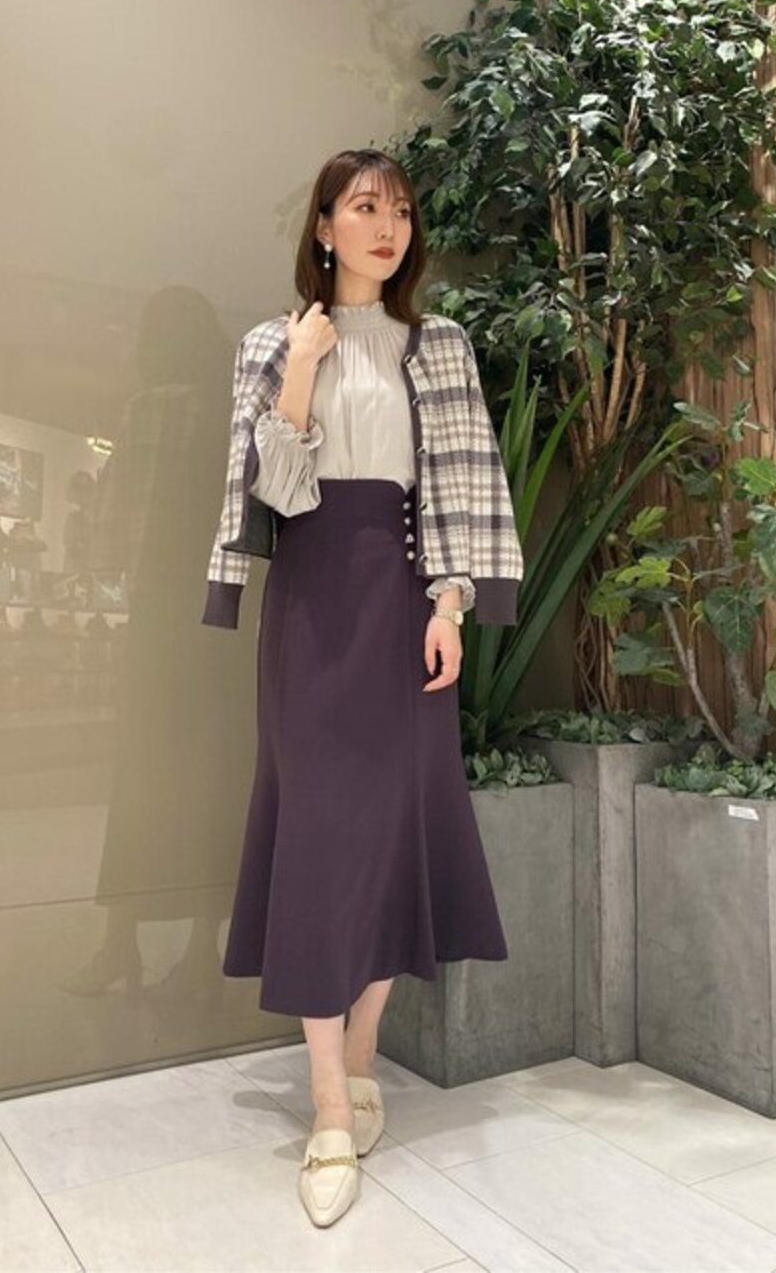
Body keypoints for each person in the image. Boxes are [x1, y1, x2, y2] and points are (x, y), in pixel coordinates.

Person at [203, 147, 524, 1227]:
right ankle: (329, 1106)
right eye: (364, 207)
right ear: (324, 225)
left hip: (404, 606)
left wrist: (449, 606)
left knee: (398, 832)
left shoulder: (441, 345)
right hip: (310, 610)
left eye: (401, 210)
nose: (388, 227)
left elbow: (463, 483)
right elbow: (277, 495)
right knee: (315, 838)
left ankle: (364, 1051)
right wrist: (302, 364)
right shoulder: (271, 343)